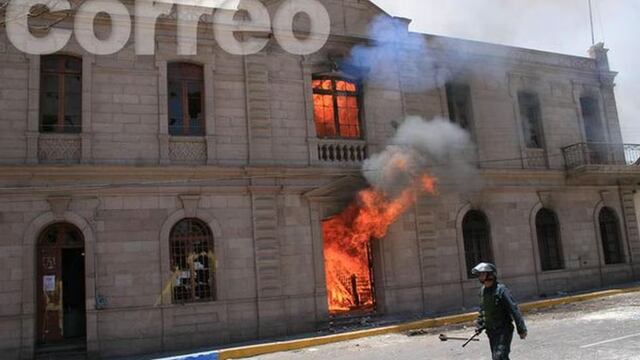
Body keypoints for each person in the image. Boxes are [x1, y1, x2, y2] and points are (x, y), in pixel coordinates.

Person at [472, 262, 527, 360]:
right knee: (498, 357)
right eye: (479, 274)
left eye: (482, 274)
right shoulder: (482, 291)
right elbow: (483, 311)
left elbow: (513, 309)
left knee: (499, 357)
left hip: (503, 330)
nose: (480, 276)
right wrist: (479, 326)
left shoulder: (501, 290)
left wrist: (521, 329)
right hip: (491, 332)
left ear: (490, 274)